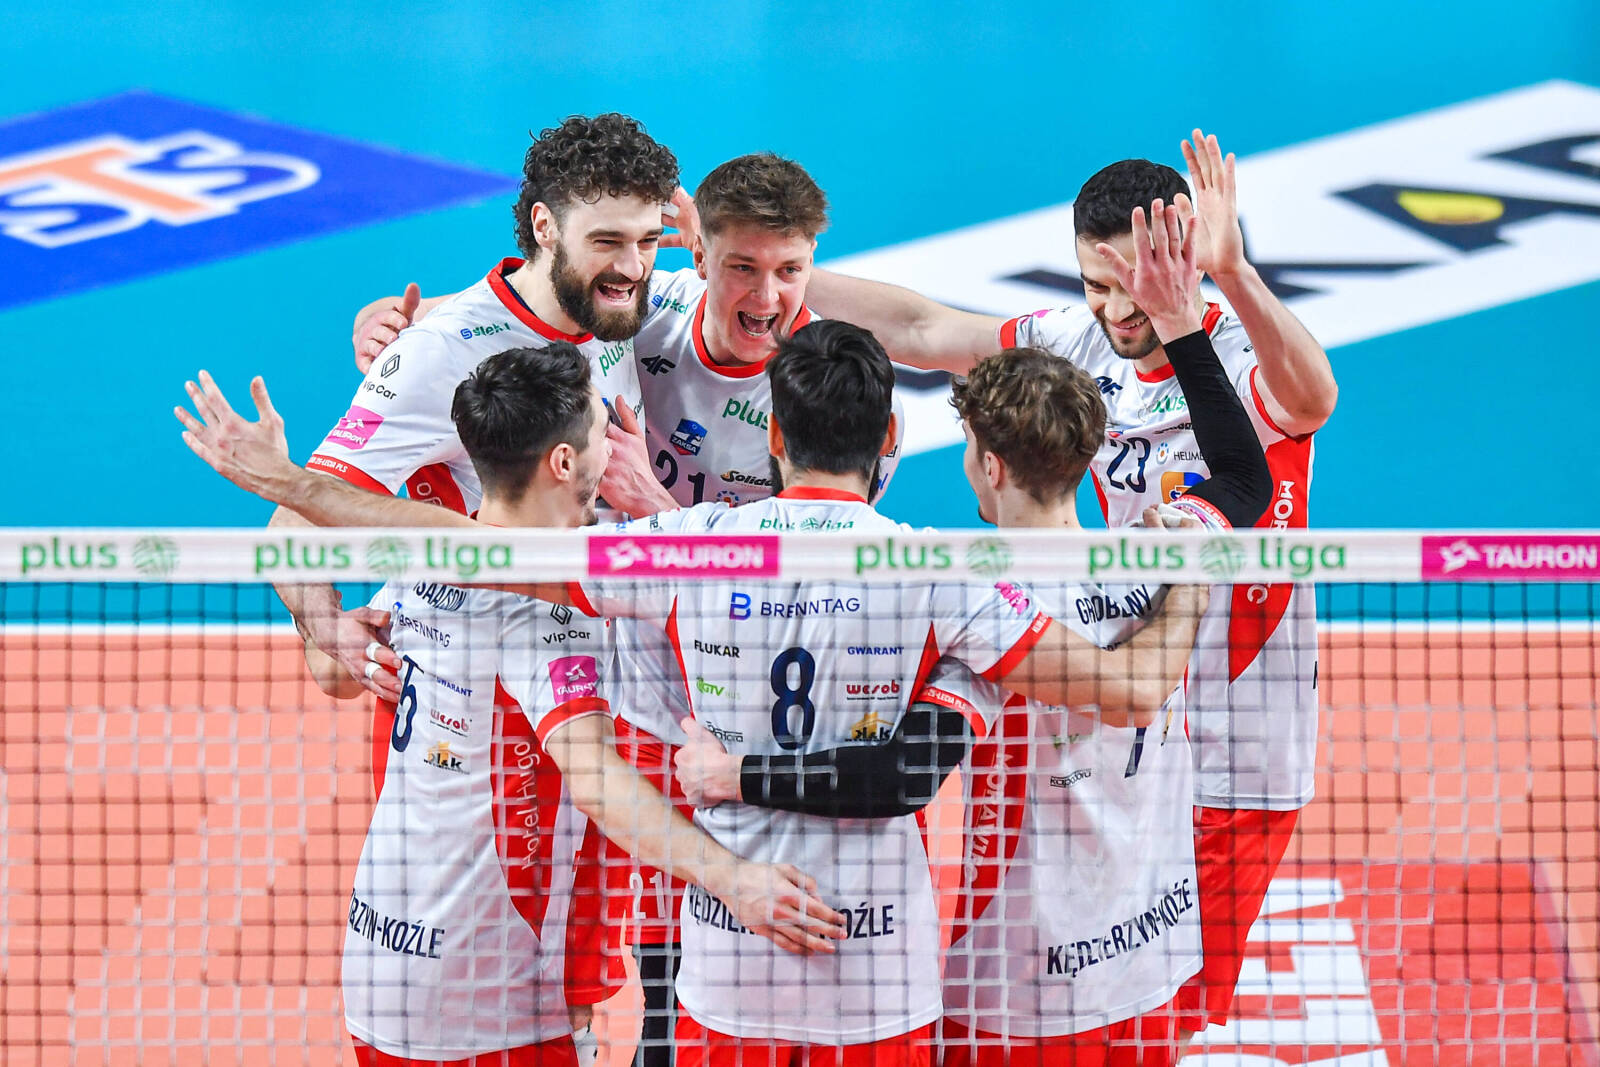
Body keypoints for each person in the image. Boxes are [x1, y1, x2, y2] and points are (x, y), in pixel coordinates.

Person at [176, 314, 1209, 1064]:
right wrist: (1195, 582)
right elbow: (1128, 691)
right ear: (892, 441)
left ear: (774, 439)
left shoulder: (688, 547)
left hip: (729, 960)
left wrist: (291, 486)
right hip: (880, 969)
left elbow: (475, 548)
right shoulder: (945, 572)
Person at [669, 201, 1272, 1066]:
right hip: (1152, 952)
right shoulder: (1164, 550)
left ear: (988, 463)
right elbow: (1244, 474)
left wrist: (733, 775)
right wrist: (1182, 328)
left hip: (1019, 985)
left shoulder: (988, 604)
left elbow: (900, 772)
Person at [351, 152, 912, 1062]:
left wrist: (656, 510)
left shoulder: (835, 394)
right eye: (742, 266)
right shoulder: (643, 319)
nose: (767, 295)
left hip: (750, 697)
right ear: (699, 255)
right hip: (643, 698)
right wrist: (401, 333)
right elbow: (528, 305)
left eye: (790, 271)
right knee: (654, 968)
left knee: (780, 934)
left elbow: (805, 570)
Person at [787, 132, 1338, 1040]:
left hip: (1239, 730)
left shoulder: (1239, 350)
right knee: (1098, 973)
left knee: (1174, 1005)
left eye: (1136, 286)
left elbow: (1311, 400)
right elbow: (924, 330)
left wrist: (1233, 275)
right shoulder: (1076, 343)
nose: (1117, 309)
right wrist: (777, 273)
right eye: (1096, 284)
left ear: (1184, 256)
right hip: (1119, 700)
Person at [212, 341, 849, 1067]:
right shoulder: (547, 614)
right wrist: (734, 879)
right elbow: (598, 782)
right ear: (564, 463)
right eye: (603, 433)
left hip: (382, 953)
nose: (617, 448)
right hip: (486, 990)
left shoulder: (424, 562)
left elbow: (332, 672)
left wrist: (337, 628)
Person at [274, 112, 680, 703]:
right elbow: (295, 519)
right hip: (475, 688)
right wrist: (326, 626)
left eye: (648, 240)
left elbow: (775, 289)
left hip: (606, 674)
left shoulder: (625, 306)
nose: (633, 266)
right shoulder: (438, 353)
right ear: (545, 225)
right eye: (607, 241)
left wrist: (710, 235)